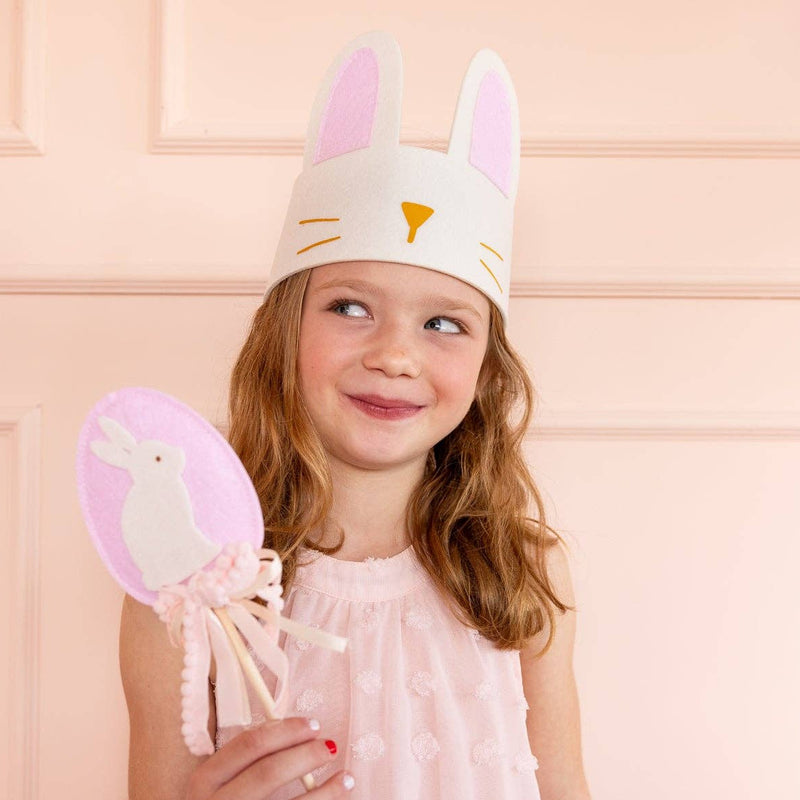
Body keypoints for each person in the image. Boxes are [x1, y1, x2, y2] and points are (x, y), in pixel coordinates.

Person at [120, 30, 592, 800]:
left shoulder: (523, 575)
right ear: (285, 329)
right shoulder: (189, 590)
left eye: (444, 323)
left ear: (486, 363)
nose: (395, 356)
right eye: (349, 306)